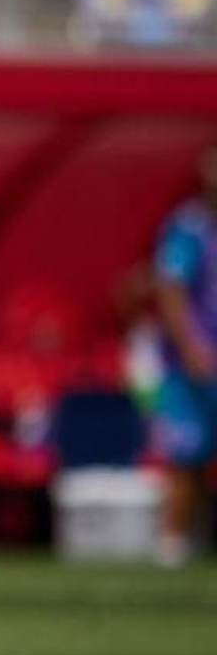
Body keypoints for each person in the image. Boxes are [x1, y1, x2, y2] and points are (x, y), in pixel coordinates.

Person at [151, 146, 217, 568]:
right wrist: (192, 346)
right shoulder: (189, 227)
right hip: (192, 367)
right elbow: (171, 291)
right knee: (186, 458)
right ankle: (172, 547)